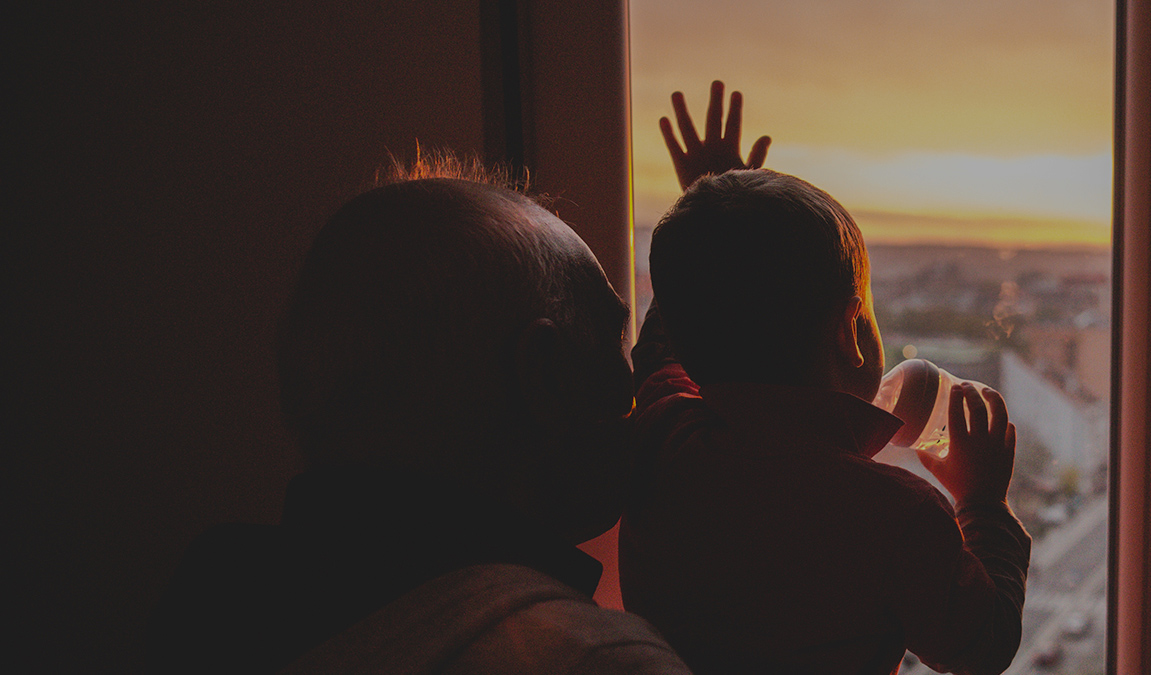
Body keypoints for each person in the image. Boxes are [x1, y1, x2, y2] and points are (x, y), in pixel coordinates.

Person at [148, 157, 692, 675]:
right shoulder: (589, 659)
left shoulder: (208, 596)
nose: (631, 386)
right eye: (612, 340)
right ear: (544, 376)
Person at [621, 82, 1031, 675]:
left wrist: (708, 218)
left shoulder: (665, 439)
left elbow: (665, 344)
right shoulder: (897, 515)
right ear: (851, 326)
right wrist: (984, 502)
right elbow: (980, 646)